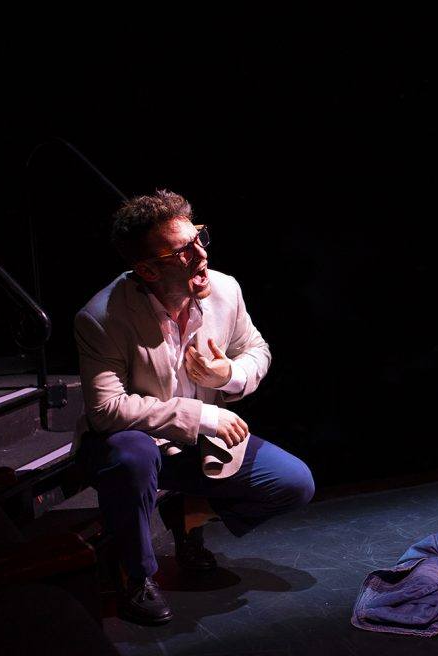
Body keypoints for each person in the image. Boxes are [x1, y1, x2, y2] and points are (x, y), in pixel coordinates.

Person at [75, 190, 315, 625]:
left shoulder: (224, 289)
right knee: (134, 453)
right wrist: (203, 414)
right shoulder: (101, 317)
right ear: (147, 269)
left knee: (295, 483)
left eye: (199, 237)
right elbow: (105, 409)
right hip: (133, 447)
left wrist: (227, 376)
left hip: (197, 447)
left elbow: (256, 349)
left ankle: (186, 515)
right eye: (183, 250)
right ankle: (136, 575)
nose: (201, 253)